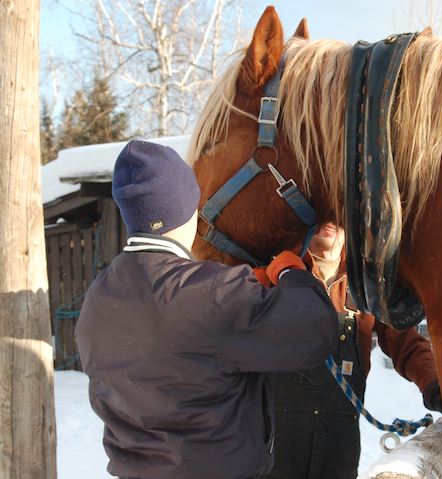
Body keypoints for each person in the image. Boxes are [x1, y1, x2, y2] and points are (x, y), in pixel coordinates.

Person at [75, 140, 339, 479]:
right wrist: (289, 272)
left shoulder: (98, 295)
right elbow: (315, 331)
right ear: (188, 207)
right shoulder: (210, 291)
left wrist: (242, 297)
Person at [258, 222, 442, 479]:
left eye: (338, 211)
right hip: (275, 446)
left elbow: (406, 344)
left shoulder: (367, 280)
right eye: (324, 209)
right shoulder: (275, 269)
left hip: (339, 446)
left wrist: (435, 383)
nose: (331, 220)